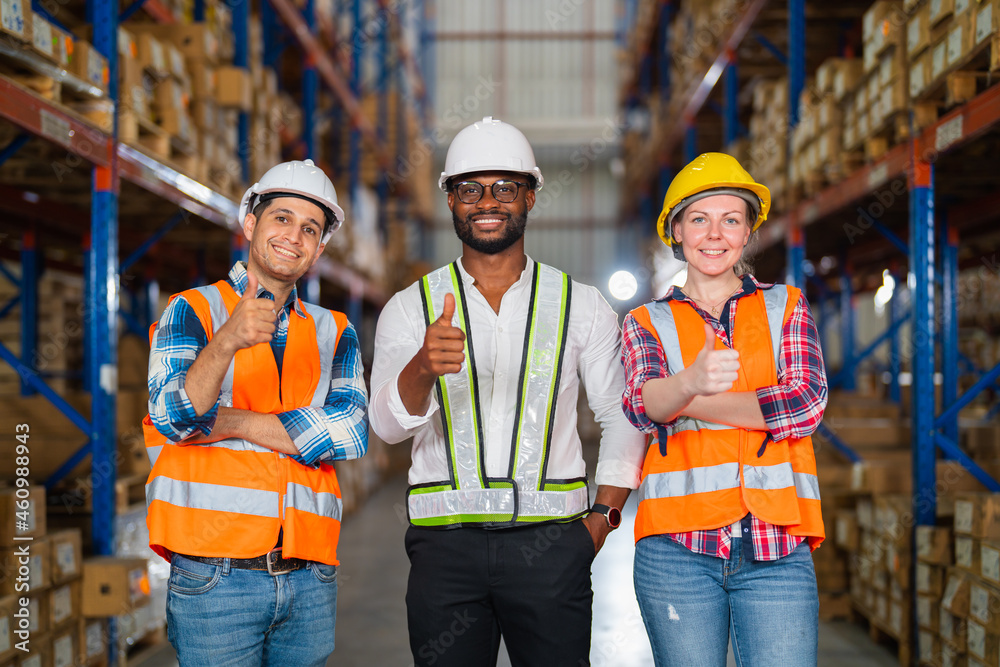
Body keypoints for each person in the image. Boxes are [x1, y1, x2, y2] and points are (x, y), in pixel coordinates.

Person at [369, 116, 646, 667]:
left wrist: (603, 520)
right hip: (444, 551)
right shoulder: (409, 307)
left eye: (505, 188)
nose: (487, 202)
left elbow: (621, 414)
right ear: (451, 200)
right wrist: (423, 367)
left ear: (530, 198)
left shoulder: (581, 304)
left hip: (553, 547)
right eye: (470, 189)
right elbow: (386, 426)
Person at [143, 159, 369, 667]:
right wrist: (227, 341)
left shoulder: (335, 330)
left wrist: (231, 421)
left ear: (320, 247)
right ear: (251, 223)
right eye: (282, 218)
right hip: (215, 577)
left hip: (311, 575)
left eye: (310, 228)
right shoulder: (194, 310)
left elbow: (351, 433)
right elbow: (174, 416)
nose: (294, 236)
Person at [620, 152, 827, 667]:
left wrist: (690, 400)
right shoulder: (645, 321)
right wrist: (688, 382)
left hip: (775, 547)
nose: (715, 235)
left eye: (730, 220)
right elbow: (643, 404)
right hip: (676, 551)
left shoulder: (786, 306)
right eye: (699, 220)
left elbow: (803, 404)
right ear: (677, 231)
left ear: (748, 232)